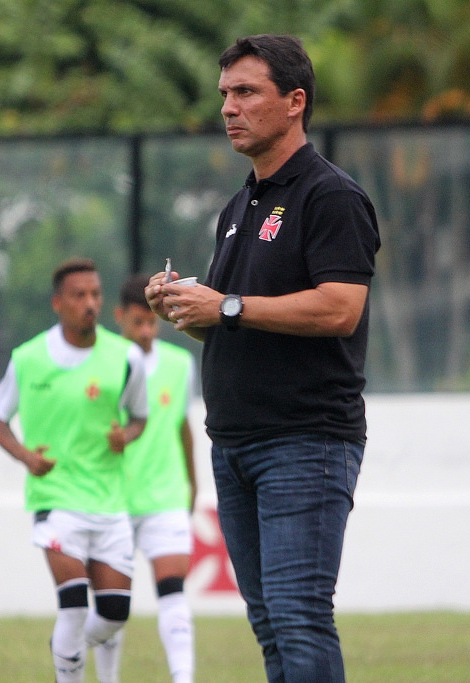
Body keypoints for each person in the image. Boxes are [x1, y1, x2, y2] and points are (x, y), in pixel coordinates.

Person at [145, 34, 381, 683]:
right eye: (225, 94)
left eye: (246, 92)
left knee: (299, 614)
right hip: (237, 441)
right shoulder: (237, 205)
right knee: (272, 623)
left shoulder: (329, 195)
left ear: (295, 102)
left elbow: (339, 308)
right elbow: (234, 317)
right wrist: (188, 308)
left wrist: (223, 306)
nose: (229, 107)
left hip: (304, 439)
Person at [0, 257, 148, 683]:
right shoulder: (28, 359)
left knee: (114, 613)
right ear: (58, 303)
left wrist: (126, 437)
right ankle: (69, 659)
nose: (89, 303)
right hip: (56, 499)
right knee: (74, 606)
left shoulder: (127, 357)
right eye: (79, 295)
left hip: (110, 501)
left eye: (95, 294)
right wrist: (26, 457)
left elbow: (139, 418)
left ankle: (66, 647)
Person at [108, 272, 198, 683]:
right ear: (119, 318)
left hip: (165, 495)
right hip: (112, 499)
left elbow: (182, 427)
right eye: (137, 322)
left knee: (173, 592)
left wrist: (193, 483)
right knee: (111, 605)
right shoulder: (104, 365)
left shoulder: (180, 365)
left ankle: (183, 678)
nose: (146, 331)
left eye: (151, 322)